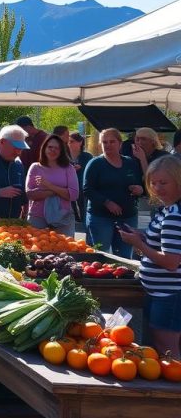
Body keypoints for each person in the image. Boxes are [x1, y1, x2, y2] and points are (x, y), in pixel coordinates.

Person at [119, 155, 181, 356]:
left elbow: (171, 262)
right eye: (153, 182)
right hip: (161, 293)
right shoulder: (167, 210)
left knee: (168, 351)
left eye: (164, 182)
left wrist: (138, 244)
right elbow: (165, 242)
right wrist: (142, 236)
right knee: (161, 349)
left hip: (169, 295)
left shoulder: (174, 215)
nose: (158, 187)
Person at [83, 128, 143, 258]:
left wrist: (139, 189)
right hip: (101, 218)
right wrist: (107, 202)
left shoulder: (130, 162)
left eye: (112, 141)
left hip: (128, 217)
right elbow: (87, 190)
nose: (108, 145)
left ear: (120, 144)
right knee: (101, 256)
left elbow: (141, 184)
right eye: (105, 142)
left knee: (125, 257)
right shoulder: (95, 164)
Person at [25, 135, 79, 236]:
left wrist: (48, 185)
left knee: (65, 250)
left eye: (57, 148)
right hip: (37, 217)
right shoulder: (35, 167)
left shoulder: (68, 168)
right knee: (36, 249)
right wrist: (57, 191)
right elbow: (30, 194)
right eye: (50, 147)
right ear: (44, 148)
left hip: (63, 218)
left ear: (61, 151)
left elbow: (74, 195)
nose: (53, 150)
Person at [67, 132, 94, 222]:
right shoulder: (65, 157)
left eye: (72, 141)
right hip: (68, 187)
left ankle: (84, 223)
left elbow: (91, 172)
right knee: (71, 210)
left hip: (83, 188)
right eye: (68, 141)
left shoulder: (87, 156)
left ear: (80, 142)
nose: (69, 144)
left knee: (84, 209)